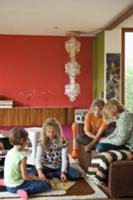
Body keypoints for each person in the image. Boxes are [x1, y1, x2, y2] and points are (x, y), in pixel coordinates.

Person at [4, 128, 52, 200]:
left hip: (8, 185)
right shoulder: (22, 156)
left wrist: (24, 149)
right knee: (47, 185)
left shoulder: (10, 152)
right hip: (16, 186)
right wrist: (39, 179)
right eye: (27, 139)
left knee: (32, 170)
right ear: (23, 140)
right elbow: (25, 177)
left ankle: (5, 181)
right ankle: (25, 191)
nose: (27, 141)